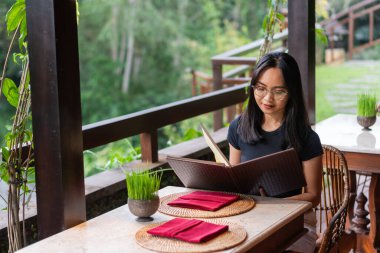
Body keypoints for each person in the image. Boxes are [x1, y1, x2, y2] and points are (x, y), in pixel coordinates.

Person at [227, 52, 323, 252]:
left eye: (279, 91)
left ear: (292, 92)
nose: (268, 98)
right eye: (261, 88)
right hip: (249, 217)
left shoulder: (306, 137)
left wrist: (271, 203)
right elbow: (234, 180)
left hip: (294, 222)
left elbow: (314, 195)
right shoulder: (238, 127)